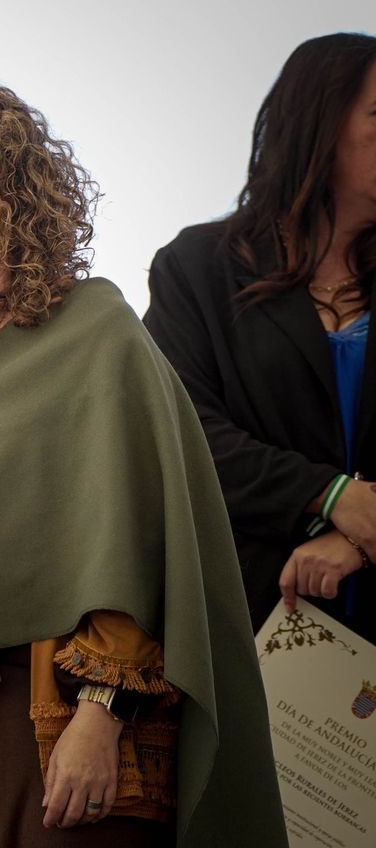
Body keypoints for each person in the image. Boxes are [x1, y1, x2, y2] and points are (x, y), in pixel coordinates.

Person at [0, 75, 285, 847]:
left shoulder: (95, 334)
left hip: (47, 720)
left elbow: (138, 543)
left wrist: (100, 718)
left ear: (11, 184)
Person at [144, 33, 376, 640]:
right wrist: (328, 496)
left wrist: (359, 537)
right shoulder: (197, 266)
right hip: (248, 625)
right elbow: (178, 430)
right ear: (318, 126)